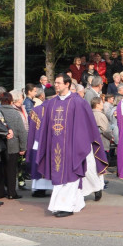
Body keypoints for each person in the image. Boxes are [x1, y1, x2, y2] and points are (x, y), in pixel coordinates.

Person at [34, 75, 107, 218]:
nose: (56, 85)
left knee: (71, 175)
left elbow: (86, 125)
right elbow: (45, 127)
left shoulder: (78, 102)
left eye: (59, 83)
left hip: (72, 147)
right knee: (59, 176)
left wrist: (81, 145)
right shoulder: (51, 103)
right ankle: (74, 203)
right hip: (55, 147)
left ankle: (66, 207)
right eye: (55, 83)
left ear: (67, 84)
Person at [0, 92, 28, 200]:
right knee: (11, 170)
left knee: (0, 169)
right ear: (11, 101)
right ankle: (12, 192)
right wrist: (23, 147)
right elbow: (22, 132)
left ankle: (0, 191)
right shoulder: (15, 113)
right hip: (13, 145)